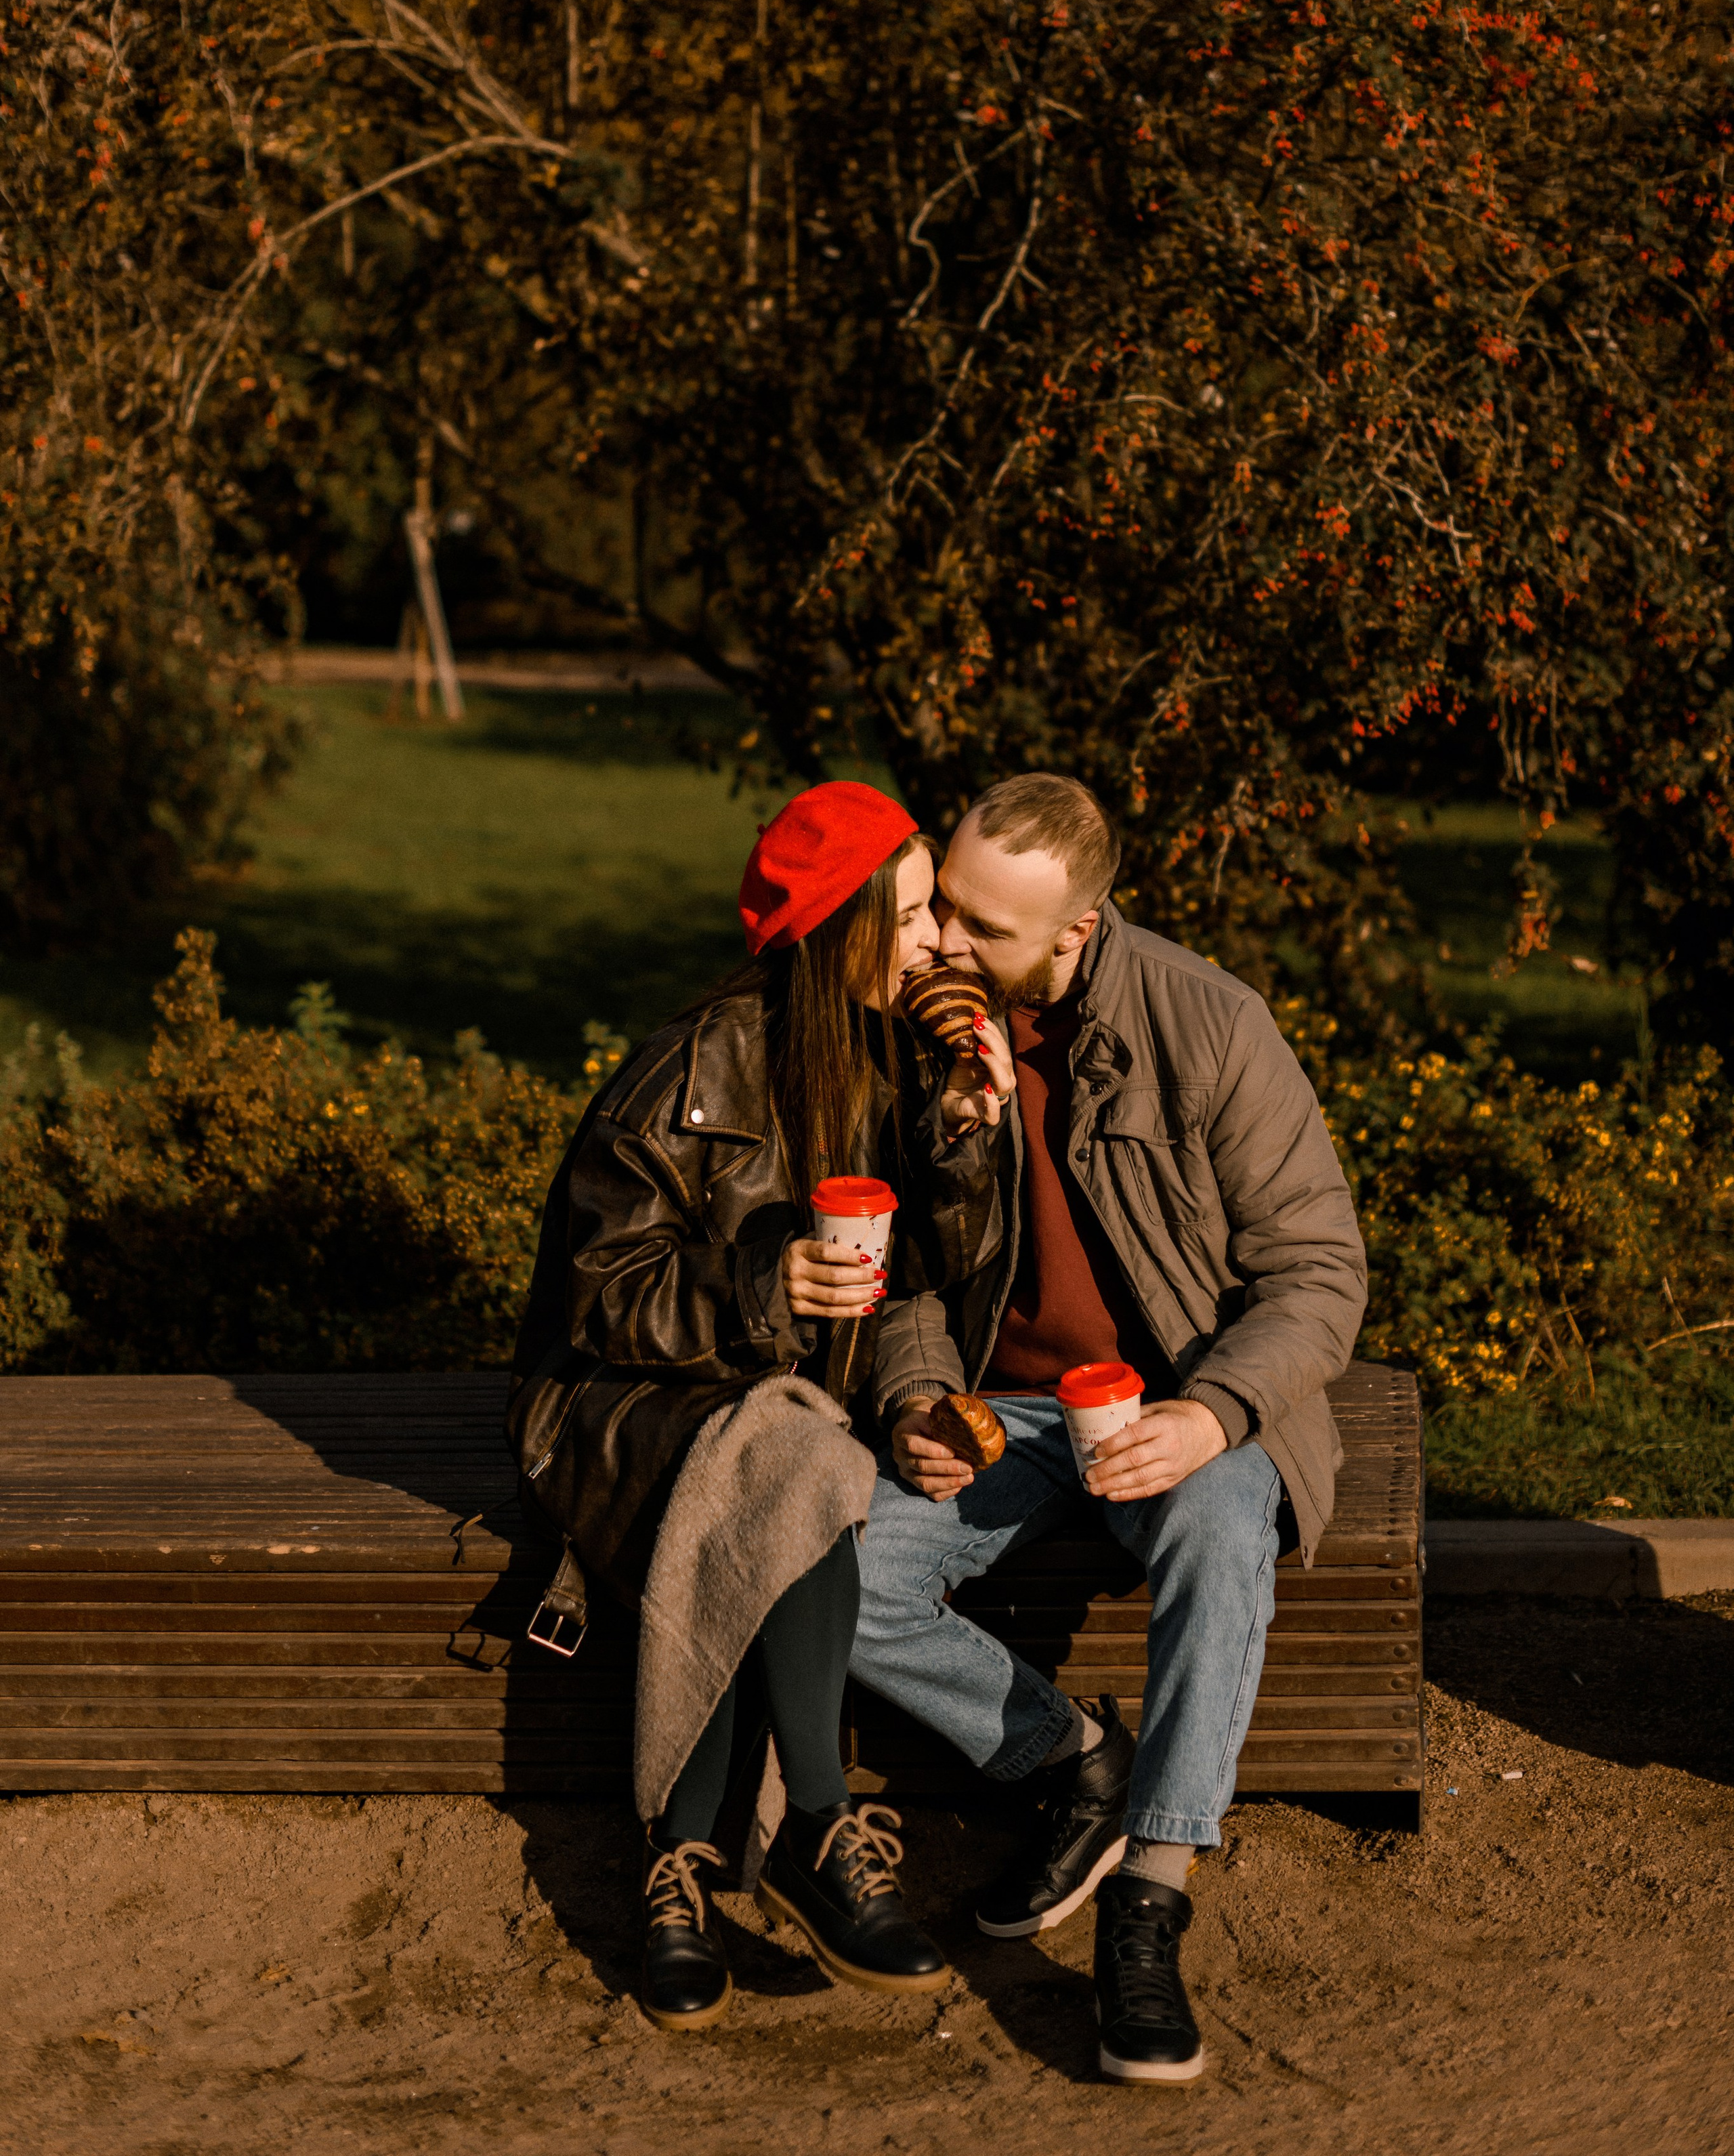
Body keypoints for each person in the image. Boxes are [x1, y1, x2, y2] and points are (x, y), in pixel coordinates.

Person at [849, 772, 1368, 2086]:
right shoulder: (914, 1028)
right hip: (999, 1412)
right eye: (940, 908)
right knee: (841, 1578)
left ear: (1073, 933)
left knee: (1215, 1526)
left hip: (1175, 1401)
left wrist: (1208, 1414)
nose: (938, 943)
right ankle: (1074, 1759)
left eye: (978, 927)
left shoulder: (1205, 1023)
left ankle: (1152, 1885)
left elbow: (1317, 1275)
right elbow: (900, 1275)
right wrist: (916, 1394)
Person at [507, 780, 994, 2033]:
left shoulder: (890, 1067)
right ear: (842, 930)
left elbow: (920, 1288)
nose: (941, 939)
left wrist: (962, 1145)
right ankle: (820, 1828)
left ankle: (679, 1873)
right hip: (618, 1412)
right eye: (918, 913)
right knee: (791, 1456)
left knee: (792, 1461)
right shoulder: (685, 1072)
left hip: (778, 1428)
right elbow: (593, 1297)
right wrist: (758, 1282)